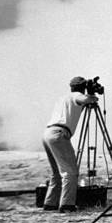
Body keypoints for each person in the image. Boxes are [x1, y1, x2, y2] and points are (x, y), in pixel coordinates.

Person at [41, 76, 97, 213]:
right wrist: (91, 96)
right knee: (70, 171)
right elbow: (86, 100)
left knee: (56, 173)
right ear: (82, 88)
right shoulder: (76, 96)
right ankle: (67, 205)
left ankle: (50, 203)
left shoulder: (63, 98)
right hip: (59, 134)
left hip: (48, 133)